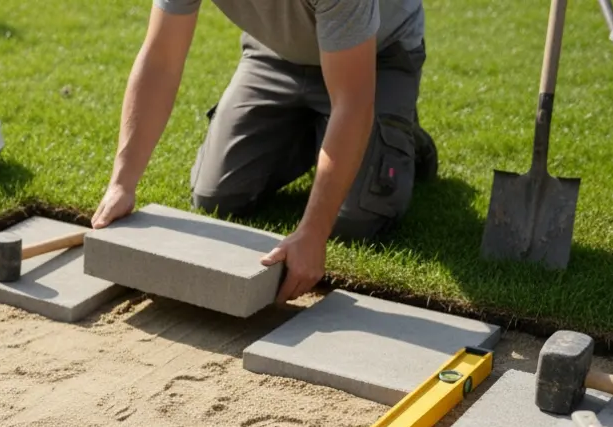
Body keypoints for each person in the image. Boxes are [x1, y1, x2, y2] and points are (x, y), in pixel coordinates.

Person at [91, 0, 436, 303]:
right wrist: (122, 182)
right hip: (275, 55)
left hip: (375, 57)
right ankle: (319, 130)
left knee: (356, 219)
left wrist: (313, 233)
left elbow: (353, 101)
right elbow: (160, 59)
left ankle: (401, 137)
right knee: (216, 196)